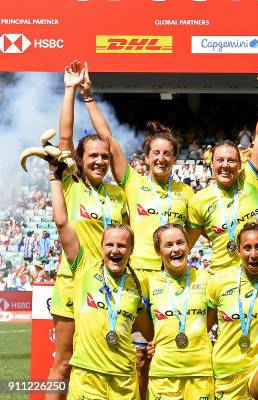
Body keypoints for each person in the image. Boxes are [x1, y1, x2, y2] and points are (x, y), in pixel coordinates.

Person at [47, 60, 128, 400]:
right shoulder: (71, 185)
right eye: (92, 156)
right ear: (80, 160)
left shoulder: (118, 194)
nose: (98, 161)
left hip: (110, 287)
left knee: (102, 361)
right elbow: (64, 139)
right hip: (72, 281)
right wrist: (70, 91)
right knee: (63, 363)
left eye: (103, 157)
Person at [48, 155, 152, 400]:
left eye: (122, 246)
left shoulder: (137, 284)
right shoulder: (84, 267)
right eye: (110, 245)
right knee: (61, 364)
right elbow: (62, 222)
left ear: (131, 250)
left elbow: (148, 334)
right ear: (101, 247)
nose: (115, 250)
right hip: (87, 382)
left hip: (123, 383)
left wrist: (155, 343)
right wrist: (54, 176)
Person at [79, 64, 194, 275]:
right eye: (156, 153)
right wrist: (88, 98)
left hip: (171, 273)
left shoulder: (186, 192)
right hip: (138, 271)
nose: (161, 159)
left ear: (175, 159)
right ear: (147, 157)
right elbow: (109, 140)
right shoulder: (133, 182)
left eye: (167, 154)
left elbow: (192, 233)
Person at [187, 72, 258, 273]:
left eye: (231, 160)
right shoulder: (198, 201)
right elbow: (184, 247)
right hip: (222, 280)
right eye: (220, 160)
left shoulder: (251, 179)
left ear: (240, 163)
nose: (225, 165)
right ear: (211, 163)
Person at [206, 223, 258, 399]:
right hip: (227, 369)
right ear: (238, 252)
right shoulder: (219, 282)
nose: (253, 254)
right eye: (247, 248)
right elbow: (203, 327)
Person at [144, 224, 214, 400]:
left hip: (201, 373)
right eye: (168, 245)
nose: (176, 249)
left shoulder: (206, 280)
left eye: (180, 243)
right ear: (158, 251)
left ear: (188, 246)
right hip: (163, 375)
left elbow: (214, 320)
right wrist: (154, 342)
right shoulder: (148, 283)